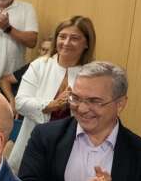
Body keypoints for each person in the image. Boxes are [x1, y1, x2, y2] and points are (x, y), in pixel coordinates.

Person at [9, 16, 96, 171]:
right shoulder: (40, 65)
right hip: (35, 142)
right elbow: (21, 103)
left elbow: (97, 112)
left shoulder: (93, 74)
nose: (67, 43)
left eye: (74, 38)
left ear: (87, 43)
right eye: (62, 37)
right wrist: (52, 105)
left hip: (72, 146)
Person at [0, 39, 53, 114]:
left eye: (50, 51)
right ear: (39, 51)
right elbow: (3, 81)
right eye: (43, 50)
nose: (46, 54)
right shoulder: (32, 66)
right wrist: (12, 101)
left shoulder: (55, 70)